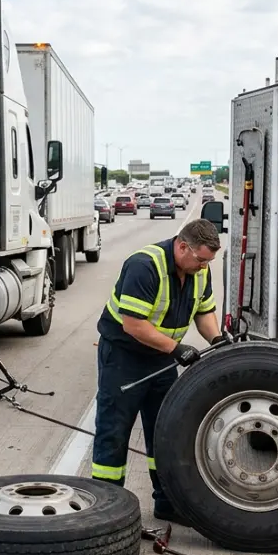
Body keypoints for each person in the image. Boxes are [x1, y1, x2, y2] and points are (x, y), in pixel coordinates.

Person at [92, 218, 229, 524]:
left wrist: (217, 340)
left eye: (209, 261)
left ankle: (167, 502)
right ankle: (105, 508)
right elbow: (133, 325)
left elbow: (204, 313)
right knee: (113, 432)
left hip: (162, 359)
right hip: (124, 358)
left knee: (165, 432)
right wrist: (177, 349)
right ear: (183, 247)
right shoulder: (145, 266)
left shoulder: (198, 272)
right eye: (201, 259)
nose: (205, 266)